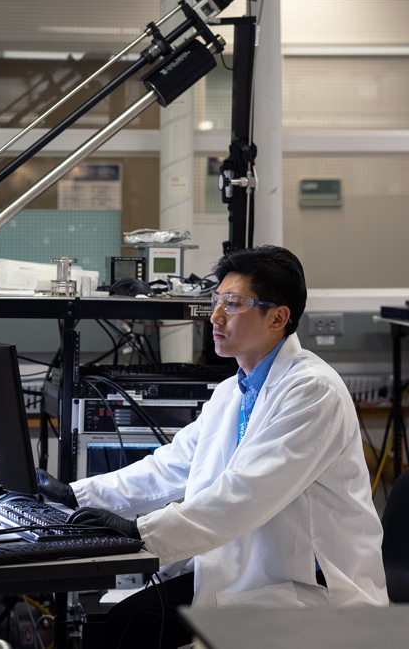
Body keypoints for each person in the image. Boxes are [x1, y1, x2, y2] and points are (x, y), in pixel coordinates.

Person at [38, 245, 388, 649]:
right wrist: (76, 495)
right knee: (126, 621)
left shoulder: (313, 391)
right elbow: (173, 466)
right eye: (216, 301)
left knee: (130, 627)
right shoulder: (231, 391)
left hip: (307, 587)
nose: (215, 317)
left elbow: (246, 493)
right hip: (249, 571)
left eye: (233, 304)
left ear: (278, 317)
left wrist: (140, 531)